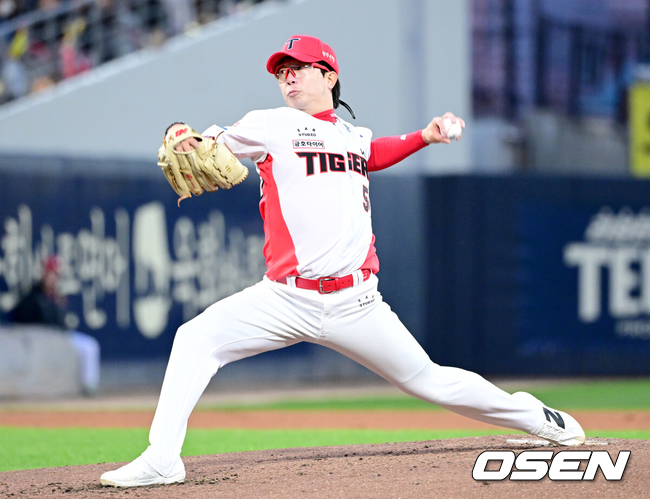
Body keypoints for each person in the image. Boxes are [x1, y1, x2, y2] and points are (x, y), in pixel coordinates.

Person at [100, 34, 585, 488]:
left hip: (357, 303)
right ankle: (162, 459)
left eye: (298, 68)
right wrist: (181, 133)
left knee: (429, 380)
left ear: (329, 75)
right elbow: (209, 145)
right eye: (282, 71)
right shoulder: (270, 124)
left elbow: (373, 151)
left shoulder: (353, 136)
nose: (288, 77)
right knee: (195, 339)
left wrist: (425, 135)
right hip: (285, 298)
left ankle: (537, 417)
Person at [10, 255, 101, 395]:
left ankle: (89, 386)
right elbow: (24, 318)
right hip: (40, 337)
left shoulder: (57, 295)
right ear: (44, 275)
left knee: (89, 346)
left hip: (60, 336)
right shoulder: (34, 296)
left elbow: (62, 322)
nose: (53, 278)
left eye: (55, 275)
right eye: (50, 274)